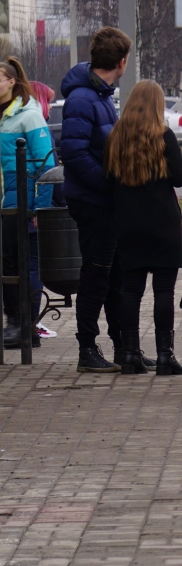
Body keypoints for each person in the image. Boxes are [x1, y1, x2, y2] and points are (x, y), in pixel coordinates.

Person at [105, 80, 182, 376]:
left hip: (128, 225)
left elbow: (107, 180)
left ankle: (129, 354)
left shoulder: (116, 138)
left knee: (131, 291)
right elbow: (180, 178)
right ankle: (165, 356)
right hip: (163, 224)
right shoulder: (164, 136)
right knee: (164, 291)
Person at [60, 27, 130, 373]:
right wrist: (107, 185)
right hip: (93, 202)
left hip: (102, 200)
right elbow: (73, 155)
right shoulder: (83, 99)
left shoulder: (99, 96)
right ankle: (87, 348)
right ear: (121, 61)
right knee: (97, 274)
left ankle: (123, 347)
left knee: (112, 274)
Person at [0, 57, 54, 349]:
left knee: (15, 264)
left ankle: (19, 324)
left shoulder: (28, 115)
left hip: (19, 201)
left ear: (11, 82)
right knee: (6, 264)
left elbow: (46, 164)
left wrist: (38, 207)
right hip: (4, 201)